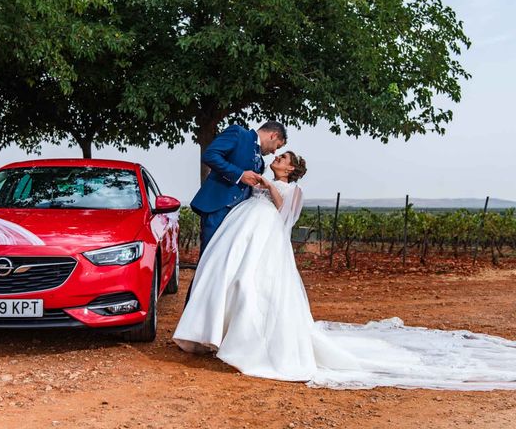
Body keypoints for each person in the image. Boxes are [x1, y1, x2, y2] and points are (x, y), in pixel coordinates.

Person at [174, 152, 516, 390]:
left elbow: (285, 214)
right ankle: (222, 334)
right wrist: (259, 183)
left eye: (282, 159)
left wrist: (270, 186)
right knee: (235, 281)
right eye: (277, 157)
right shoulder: (260, 180)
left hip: (266, 236)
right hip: (246, 227)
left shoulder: (291, 189)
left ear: (290, 170)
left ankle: (246, 344)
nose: (276, 160)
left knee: (255, 287)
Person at [185, 121, 286, 304]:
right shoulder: (239, 134)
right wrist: (239, 174)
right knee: (208, 264)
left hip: (238, 221)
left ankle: (213, 319)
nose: (273, 152)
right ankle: (191, 321)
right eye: (276, 147)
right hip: (217, 209)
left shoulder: (261, 162)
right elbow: (211, 155)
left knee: (226, 269)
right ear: (273, 135)